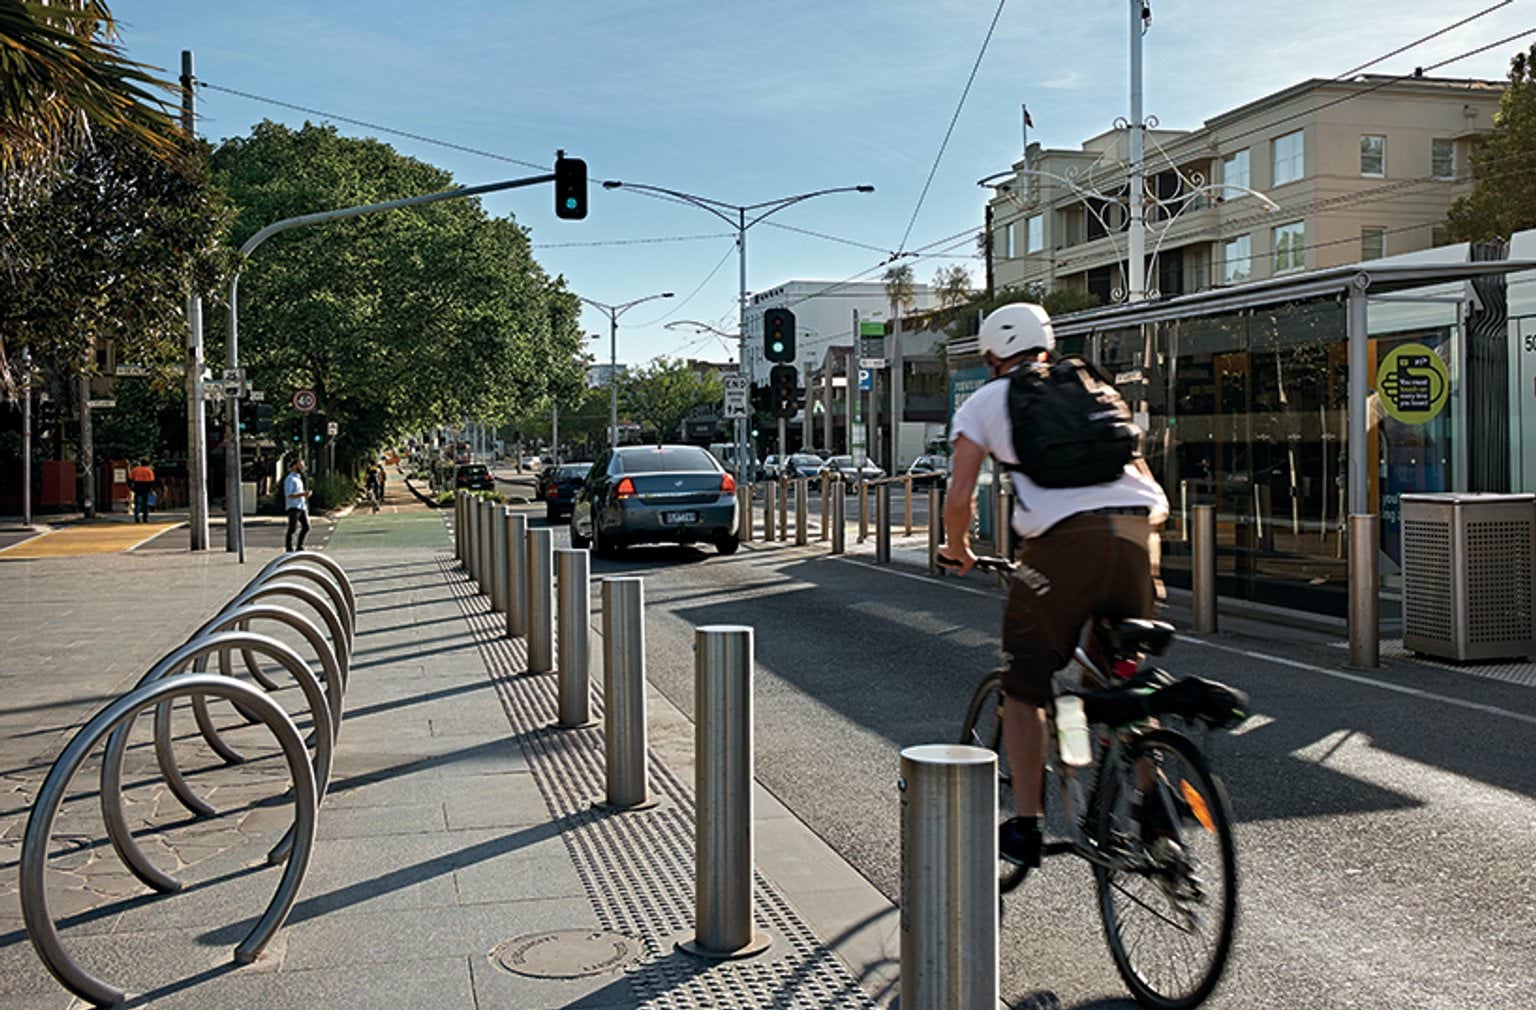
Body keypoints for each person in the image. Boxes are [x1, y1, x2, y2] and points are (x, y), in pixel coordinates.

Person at [938, 302, 1168, 870]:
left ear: (992, 355)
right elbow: (1148, 484)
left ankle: (1027, 826)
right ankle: (1153, 798)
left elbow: (960, 496)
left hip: (1062, 547)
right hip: (1137, 532)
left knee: (1026, 682)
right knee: (1123, 673)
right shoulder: (1094, 388)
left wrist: (958, 548)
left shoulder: (987, 400)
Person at [283, 456, 313, 552]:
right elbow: (289, 494)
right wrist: (303, 494)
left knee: (306, 526)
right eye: (300, 466)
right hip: (293, 506)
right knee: (292, 528)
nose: (302, 468)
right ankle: (288, 547)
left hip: (301, 506)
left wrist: (304, 495)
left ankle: (300, 545)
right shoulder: (290, 479)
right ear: (295, 466)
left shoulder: (299, 478)